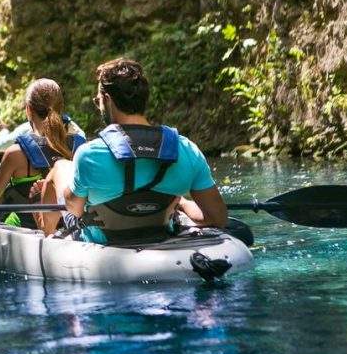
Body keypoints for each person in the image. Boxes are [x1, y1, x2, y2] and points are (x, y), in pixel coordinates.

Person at [40, 58, 227, 244]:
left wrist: (64, 191)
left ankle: (46, 236)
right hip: (160, 233)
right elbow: (217, 218)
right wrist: (182, 204)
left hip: (103, 241)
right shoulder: (187, 150)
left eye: (98, 101)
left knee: (60, 165)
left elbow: (74, 209)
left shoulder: (89, 155)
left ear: (107, 100)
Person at [0, 78, 86, 234]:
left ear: (28, 110)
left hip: (26, 225)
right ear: (61, 107)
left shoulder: (15, 154)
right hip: (67, 222)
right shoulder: (80, 146)